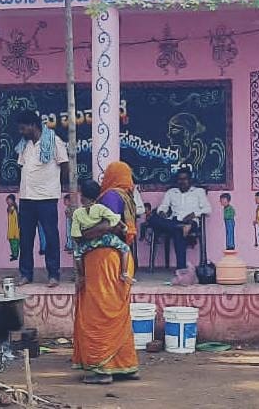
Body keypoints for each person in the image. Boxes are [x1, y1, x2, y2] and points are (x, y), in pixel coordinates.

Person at [72, 161, 140, 384]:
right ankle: (125, 366)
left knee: (98, 312)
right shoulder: (127, 198)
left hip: (104, 261)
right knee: (117, 313)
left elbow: (109, 225)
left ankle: (102, 370)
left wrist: (84, 234)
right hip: (119, 258)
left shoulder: (111, 196)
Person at [14, 110, 69, 287]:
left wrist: (56, 186)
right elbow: (21, 167)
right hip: (26, 198)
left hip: (47, 198)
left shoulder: (54, 141)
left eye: (23, 128)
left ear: (33, 126)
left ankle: (53, 275)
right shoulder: (24, 145)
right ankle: (25, 274)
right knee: (25, 238)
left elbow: (65, 165)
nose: (21, 132)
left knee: (50, 237)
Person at [147, 167, 211, 269]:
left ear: (190, 180)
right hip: (174, 221)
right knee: (152, 219)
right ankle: (181, 269)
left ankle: (181, 268)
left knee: (178, 232)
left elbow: (208, 209)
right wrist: (162, 212)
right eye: (180, 179)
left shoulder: (199, 192)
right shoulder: (171, 192)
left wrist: (194, 214)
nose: (182, 182)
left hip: (191, 223)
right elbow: (162, 207)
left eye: (185, 179)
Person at [71, 179, 132, 284]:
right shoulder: (101, 208)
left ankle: (82, 276)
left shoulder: (77, 213)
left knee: (77, 254)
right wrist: (124, 228)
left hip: (88, 243)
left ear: (81, 197)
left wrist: (82, 241)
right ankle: (124, 273)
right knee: (125, 249)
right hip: (105, 239)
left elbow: (75, 234)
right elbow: (115, 219)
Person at [6, 194, 20, 261]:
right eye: (7, 200)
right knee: (12, 243)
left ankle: (15, 255)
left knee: (15, 244)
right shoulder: (10, 209)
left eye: (9, 200)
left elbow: (16, 222)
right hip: (11, 230)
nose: (7, 201)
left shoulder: (13, 210)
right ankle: (14, 254)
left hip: (14, 231)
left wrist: (15, 232)